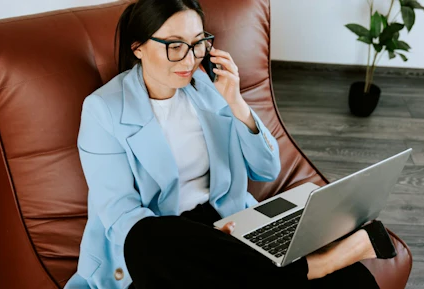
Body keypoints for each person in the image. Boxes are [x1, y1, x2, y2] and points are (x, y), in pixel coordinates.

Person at [64, 0, 391, 288]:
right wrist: (204, 242)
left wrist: (236, 103)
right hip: (167, 237)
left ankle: (304, 268)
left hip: (230, 222)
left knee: (354, 282)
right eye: (174, 46)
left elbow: (267, 169)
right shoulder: (104, 109)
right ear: (138, 47)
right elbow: (120, 215)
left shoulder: (206, 87)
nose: (189, 60)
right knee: (148, 237)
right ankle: (315, 266)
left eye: (198, 43)